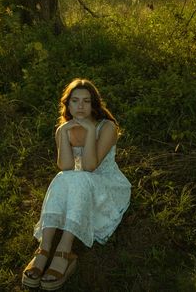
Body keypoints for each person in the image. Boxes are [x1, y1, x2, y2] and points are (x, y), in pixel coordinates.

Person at [22, 78, 131, 290]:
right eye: (75, 101)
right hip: (77, 183)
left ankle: (65, 250)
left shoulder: (107, 127)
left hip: (106, 186)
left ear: (94, 105)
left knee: (77, 177)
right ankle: (44, 250)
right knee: (63, 177)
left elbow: (90, 166)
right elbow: (65, 166)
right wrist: (63, 133)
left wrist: (90, 131)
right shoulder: (63, 130)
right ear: (68, 104)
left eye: (86, 101)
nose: (80, 106)